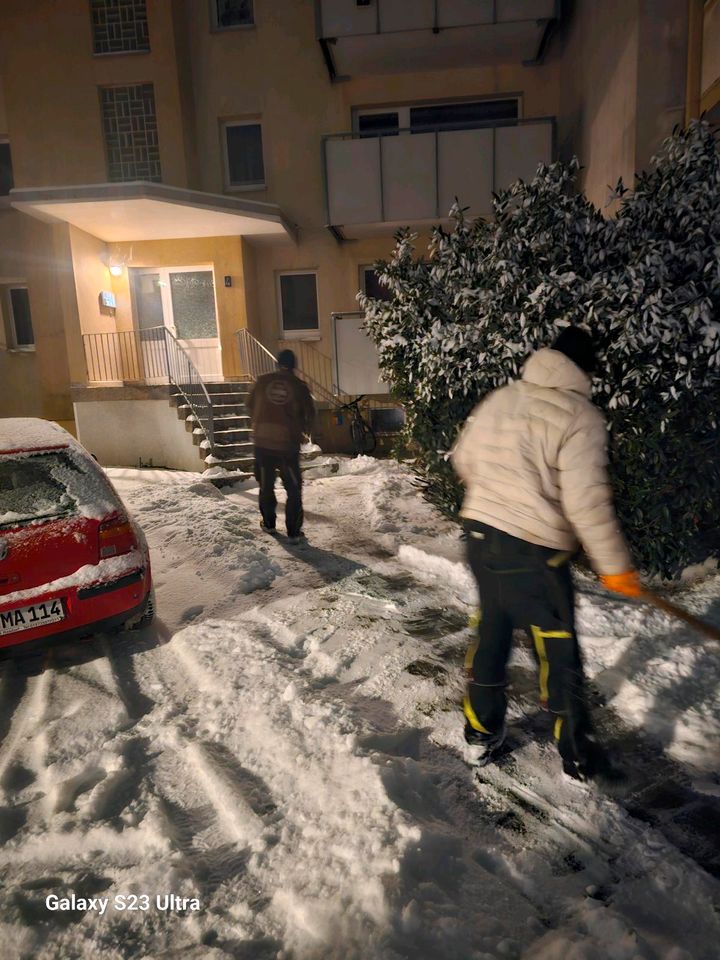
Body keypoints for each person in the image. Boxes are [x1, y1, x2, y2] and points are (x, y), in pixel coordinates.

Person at [451, 326, 642, 781]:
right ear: (586, 371)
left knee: (492, 632)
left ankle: (480, 734)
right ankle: (578, 754)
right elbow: (586, 502)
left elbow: (462, 458)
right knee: (557, 650)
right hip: (534, 552)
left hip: (480, 537)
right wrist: (615, 568)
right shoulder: (580, 416)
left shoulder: (503, 399)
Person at [247, 349, 315, 544]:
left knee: (266, 485)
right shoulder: (299, 387)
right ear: (294, 365)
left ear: (277, 363)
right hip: (287, 447)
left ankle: (269, 523)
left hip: (262, 445)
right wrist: (304, 431)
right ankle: (294, 532)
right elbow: (309, 414)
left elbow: (250, 405)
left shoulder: (261, 382)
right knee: (293, 488)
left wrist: (260, 424)